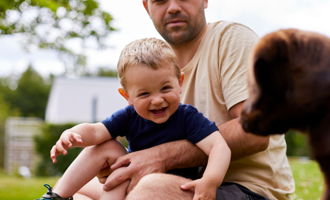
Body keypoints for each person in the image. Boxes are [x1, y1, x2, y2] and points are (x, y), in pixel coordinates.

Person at [73, 0, 294, 200]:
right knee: (80, 192)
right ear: (146, 6)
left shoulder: (232, 39)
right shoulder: (155, 63)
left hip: (247, 190)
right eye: (160, 0)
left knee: (152, 189)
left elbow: (255, 132)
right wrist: (121, 167)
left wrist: (160, 157)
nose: (173, 7)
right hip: (177, 182)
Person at [36, 38, 231, 200]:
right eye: (144, 94)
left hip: (162, 190)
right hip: (128, 180)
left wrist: (210, 180)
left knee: (114, 179)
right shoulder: (130, 116)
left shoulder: (187, 117)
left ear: (180, 82)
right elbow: (96, 132)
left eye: (165, 88)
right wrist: (72, 134)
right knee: (105, 147)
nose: (157, 100)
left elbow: (219, 147)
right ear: (127, 96)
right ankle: (56, 196)